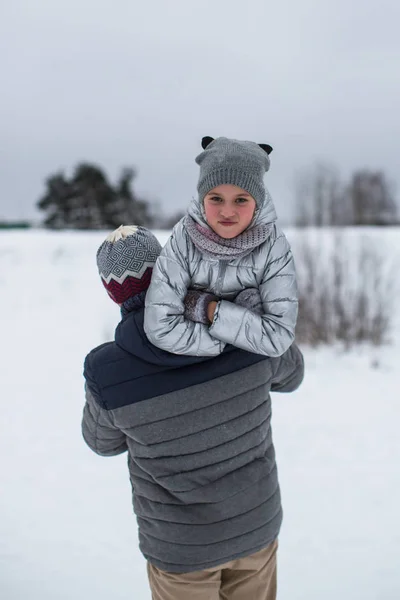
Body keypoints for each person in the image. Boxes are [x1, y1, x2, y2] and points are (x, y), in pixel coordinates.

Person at [82, 224, 304, 600]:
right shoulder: (235, 324)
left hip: (179, 548)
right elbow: (291, 375)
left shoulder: (108, 372)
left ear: (113, 291)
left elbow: (102, 442)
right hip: (255, 526)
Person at [144, 136, 298, 358]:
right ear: (202, 198)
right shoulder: (184, 238)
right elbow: (160, 327)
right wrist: (231, 341)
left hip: (247, 377)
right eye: (216, 198)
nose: (227, 212)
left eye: (241, 200)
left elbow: (278, 337)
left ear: (257, 202)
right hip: (197, 372)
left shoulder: (273, 246)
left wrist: (205, 309)